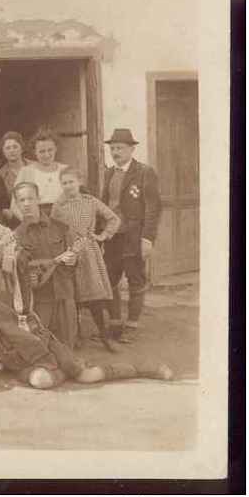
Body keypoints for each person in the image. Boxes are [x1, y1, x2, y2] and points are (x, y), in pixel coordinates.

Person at [0, 273, 173, 390]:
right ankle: (68, 369)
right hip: (19, 364)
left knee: (86, 377)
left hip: (41, 346)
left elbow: (22, 330)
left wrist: (48, 357)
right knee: (41, 381)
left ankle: (145, 368)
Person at [100, 128, 162, 344]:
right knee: (108, 279)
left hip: (134, 238)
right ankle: (115, 323)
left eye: (120, 148)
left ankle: (132, 327)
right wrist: (101, 234)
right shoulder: (109, 173)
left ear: (131, 149)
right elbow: (104, 206)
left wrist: (147, 239)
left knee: (135, 281)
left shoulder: (144, 172)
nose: (115, 152)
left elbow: (153, 208)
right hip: (112, 237)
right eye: (113, 148)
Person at [52, 167, 122, 352]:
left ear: (79, 182)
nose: (68, 186)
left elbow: (113, 218)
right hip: (69, 254)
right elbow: (53, 230)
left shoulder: (91, 202)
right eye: (64, 183)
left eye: (71, 182)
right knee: (72, 297)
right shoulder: (59, 207)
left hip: (89, 254)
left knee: (95, 299)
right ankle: (76, 337)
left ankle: (105, 337)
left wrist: (103, 235)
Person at [12, 181, 79, 348]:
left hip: (65, 293)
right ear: (17, 204)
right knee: (43, 345)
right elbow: (24, 268)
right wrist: (55, 261)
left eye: (30, 198)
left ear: (38, 199)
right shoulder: (16, 236)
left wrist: (74, 259)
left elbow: (76, 257)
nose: (26, 204)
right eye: (21, 200)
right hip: (40, 299)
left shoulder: (61, 227)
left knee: (68, 343)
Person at [12, 128, 68, 218]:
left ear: (56, 149)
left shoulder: (65, 170)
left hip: (62, 218)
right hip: (36, 218)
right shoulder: (26, 172)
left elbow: (77, 199)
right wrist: (28, 221)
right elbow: (14, 204)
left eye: (50, 150)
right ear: (35, 152)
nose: (46, 155)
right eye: (42, 151)